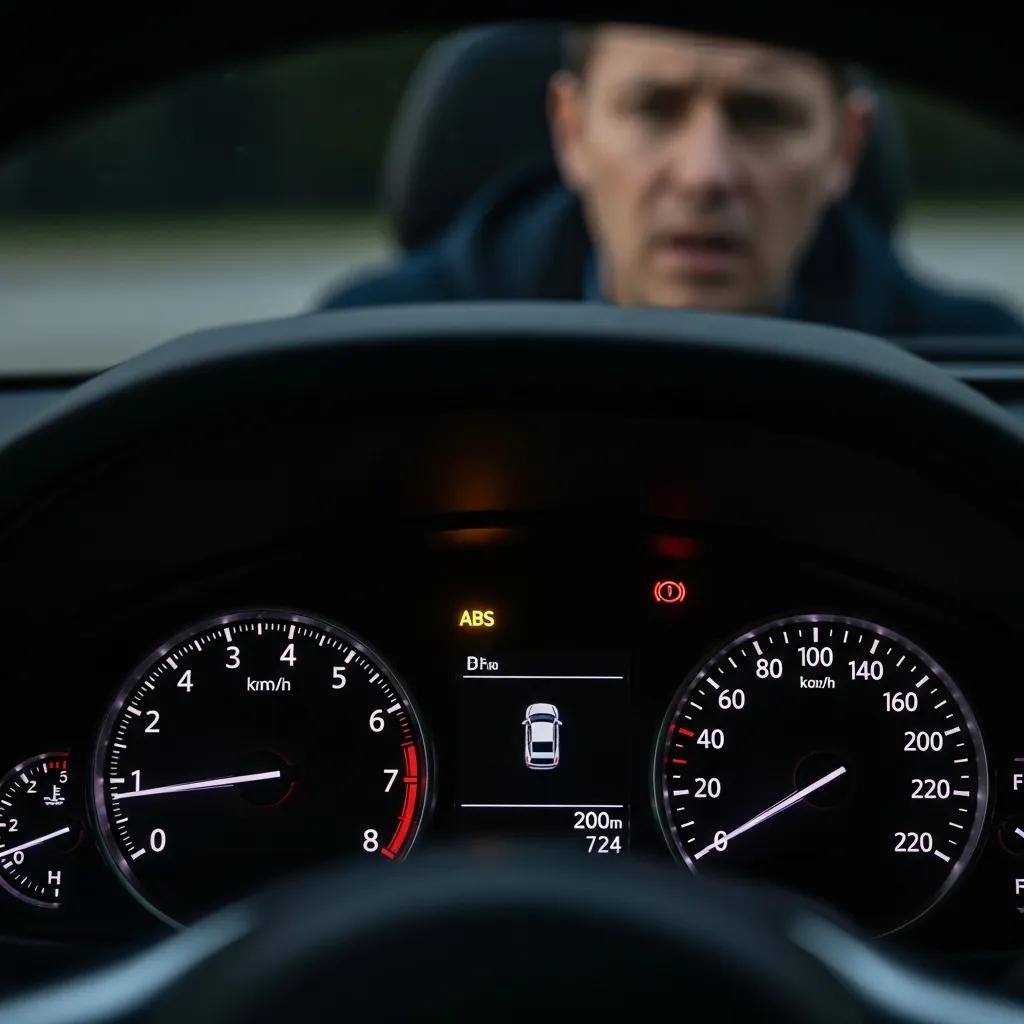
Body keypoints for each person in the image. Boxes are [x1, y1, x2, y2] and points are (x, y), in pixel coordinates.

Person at [319, 24, 1021, 336]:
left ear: (845, 147)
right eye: (655, 107)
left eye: (763, 113)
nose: (704, 174)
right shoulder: (367, 350)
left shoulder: (981, 377)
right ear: (572, 130)